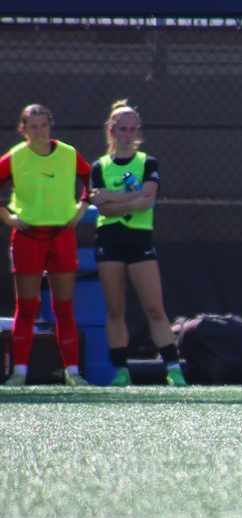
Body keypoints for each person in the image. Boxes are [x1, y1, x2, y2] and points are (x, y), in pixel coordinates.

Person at [88, 100, 186, 387]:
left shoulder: (148, 162)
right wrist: (129, 200)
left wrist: (110, 197)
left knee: (154, 307)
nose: (128, 134)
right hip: (109, 241)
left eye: (132, 129)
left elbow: (147, 197)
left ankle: (174, 369)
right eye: (122, 129)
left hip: (139, 241)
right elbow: (102, 209)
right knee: (115, 308)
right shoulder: (100, 166)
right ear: (112, 131)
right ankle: (121, 371)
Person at [0, 105, 91, 386]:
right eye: (34, 126)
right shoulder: (15, 158)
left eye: (44, 125)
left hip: (62, 236)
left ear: (50, 126)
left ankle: (73, 372)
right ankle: (19, 373)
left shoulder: (68, 153)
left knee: (64, 308)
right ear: (23, 129)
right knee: (26, 307)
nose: (40, 131)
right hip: (28, 239)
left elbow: (91, 179)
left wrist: (82, 208)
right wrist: (9, 218)